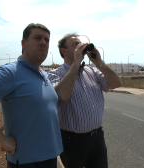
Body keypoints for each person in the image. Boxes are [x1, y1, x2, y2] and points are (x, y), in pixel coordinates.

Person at [0, 23, 63, 168]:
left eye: (47, 40)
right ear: (24, 43)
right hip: (27, 161)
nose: (43, 42)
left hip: (50, 156)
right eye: (37, 38)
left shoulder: (43, 74)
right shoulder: (9, 72)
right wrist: (2, 140)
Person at [48, 33, 122, 168]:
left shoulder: (92, 71)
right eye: (75, 45)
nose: (80, 47)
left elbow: (116, 83)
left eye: (81, 44)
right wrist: (76, 63)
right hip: (72, 142)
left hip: (97, 138)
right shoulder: (55, 74)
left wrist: (99, 63)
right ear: (63, 51)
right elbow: (62, 95)